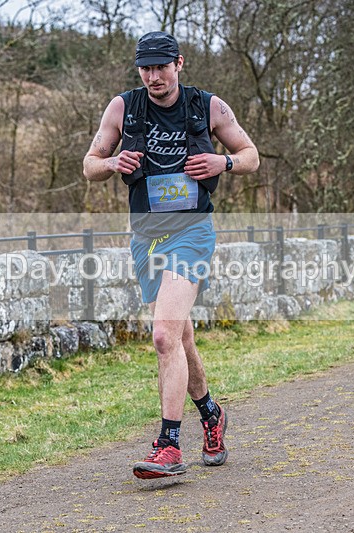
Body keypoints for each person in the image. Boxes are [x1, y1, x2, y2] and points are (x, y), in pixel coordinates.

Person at [82, 31, 259, 479]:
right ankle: (212, 414)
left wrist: (225, 163)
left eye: (161, 66)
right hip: (146, 237)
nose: (153, 76)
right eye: (146, 68)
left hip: (191, 232)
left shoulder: (208, 106)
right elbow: (89, 165)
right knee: (180, 339)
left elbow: (250, 154)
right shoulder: (123, 107)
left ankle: (169, 445)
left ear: (179, 64)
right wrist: (111, 164)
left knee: (162, 335)